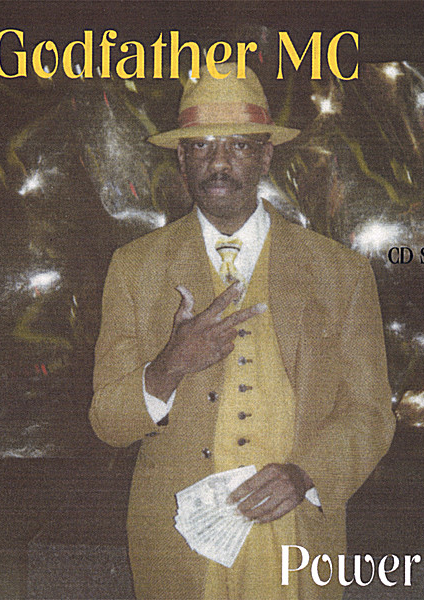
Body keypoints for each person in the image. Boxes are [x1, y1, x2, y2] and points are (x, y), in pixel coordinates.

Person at [90, 63, 395, 600]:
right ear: (181, 159)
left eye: (238, 146)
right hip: (178, 546)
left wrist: (305, 474)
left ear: (266, 155)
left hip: (295, 539)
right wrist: (169, 366)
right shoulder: (134, 268)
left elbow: (370, 413)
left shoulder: (340, 271)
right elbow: (108, 423)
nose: (219, 162)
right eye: (202, 146)